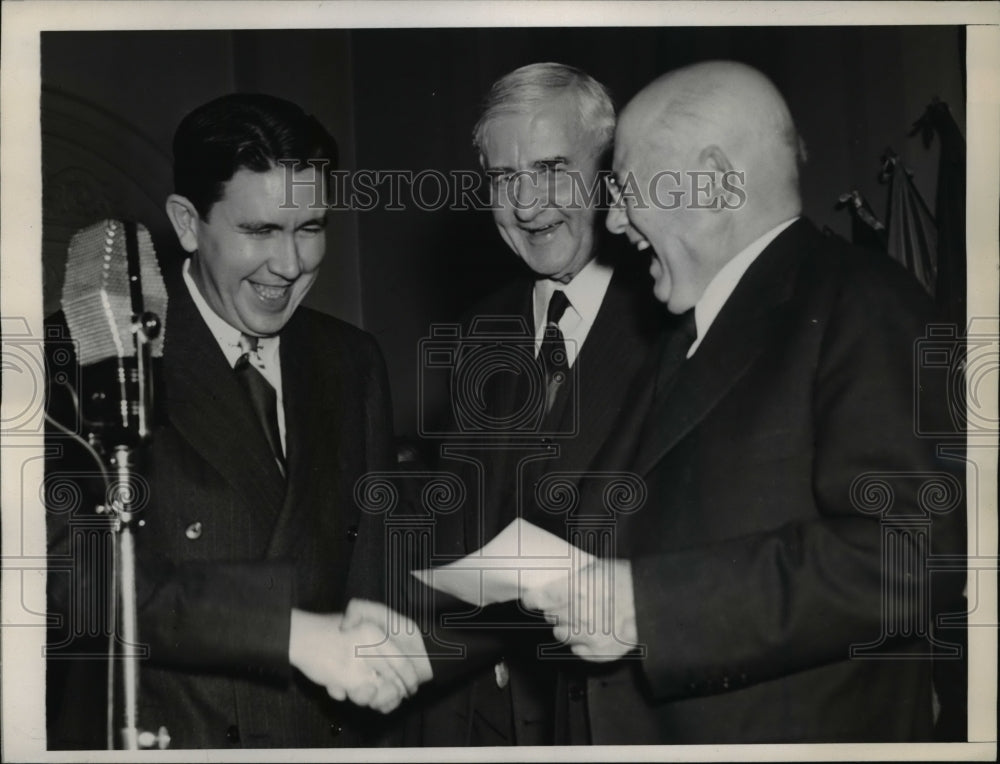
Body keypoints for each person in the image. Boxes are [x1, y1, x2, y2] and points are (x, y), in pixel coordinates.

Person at [516, 60, 967, 742]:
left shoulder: (865, 304)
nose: (611, 219)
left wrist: (648, 606)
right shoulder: (682, 334)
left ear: (718, 181)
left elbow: (913, 555)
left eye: (627, 188)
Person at [45, 93, 426, 750]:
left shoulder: (351, 360)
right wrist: (284, 632)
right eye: (260, 231)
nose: (291, 264)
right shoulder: (87, 349)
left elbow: (372, 574)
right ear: (188, 223)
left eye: (310, 227)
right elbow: (67, 576)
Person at [386, 62, 665, 746]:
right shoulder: (484, 329)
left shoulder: (670, 316)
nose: (527, 203)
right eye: (505, 179)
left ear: (608, 174)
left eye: (550, 168)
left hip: (618, 716)